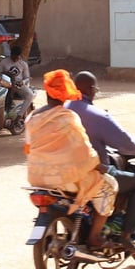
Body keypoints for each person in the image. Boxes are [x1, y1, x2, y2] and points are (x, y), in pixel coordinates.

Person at [24, 69, 118, 249]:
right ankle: (95, 236)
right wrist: (98, 165)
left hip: (37, 178)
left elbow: (29, 147)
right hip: (65, 178)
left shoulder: (32, 117)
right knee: (110, 186)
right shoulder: (68, 117)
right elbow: (83, 149)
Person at [67, 71, 135, 255]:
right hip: (91, 171)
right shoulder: (97, 116)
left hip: (63, 171)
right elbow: (124, 141)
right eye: (95, 90)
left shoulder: (63, 109)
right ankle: (126, 236)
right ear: (90, 89)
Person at [0, 44, 34, 122]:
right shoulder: (4, 62)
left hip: (18, 85)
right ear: (11, 54)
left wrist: (23, 82)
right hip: (5, 84)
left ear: (19, 56)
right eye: (14, 57)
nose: (15, 59)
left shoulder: (23, 64)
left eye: (17, 57)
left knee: (30, 95)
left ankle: (19, 116)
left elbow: (27, 77)